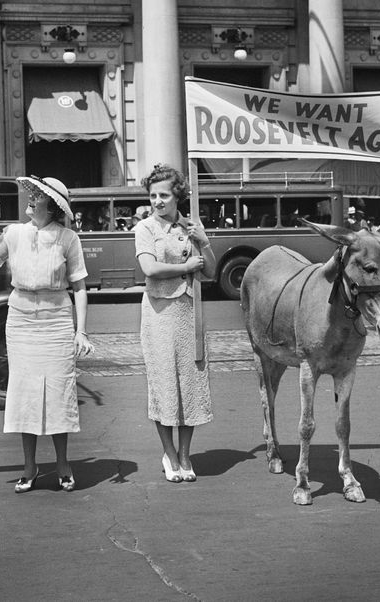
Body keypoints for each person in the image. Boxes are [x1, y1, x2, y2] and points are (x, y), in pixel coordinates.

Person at [0, 175, 95, 493]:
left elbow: (79, 287)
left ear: (51, 206)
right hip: (21, 321)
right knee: (24, 395)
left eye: (37, 195)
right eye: (31, 193)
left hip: (56, 323)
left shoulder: (68, 239)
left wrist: (81, 331)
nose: (30, 198)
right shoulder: (13, 234)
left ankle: (63, 464)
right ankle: (29, 466)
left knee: (58, 392)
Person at [134, 164, 215, 483]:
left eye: (163, 195)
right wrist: (184, 266)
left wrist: (204, 242)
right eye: (153, 195)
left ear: (176, 195)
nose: (157, 201)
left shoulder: (191, 225)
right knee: (165, 382)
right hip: (159, 314)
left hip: (188, 313)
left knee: (191, 384)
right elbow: (149, 269)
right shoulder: (145, 228)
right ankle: (169, 454)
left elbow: (209, 270)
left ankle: (185, 454)